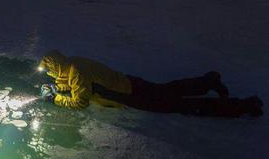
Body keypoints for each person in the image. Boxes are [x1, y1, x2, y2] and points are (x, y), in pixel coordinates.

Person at [38, 50, 263, 118]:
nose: (49, 74)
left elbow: (81, 101)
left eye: (49, 71)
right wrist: (60, 87)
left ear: (55, 66)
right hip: (129, 82)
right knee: (169, 90)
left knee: (177, 104)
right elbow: (80, 81)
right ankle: (208, 81)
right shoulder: (73, 63)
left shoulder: (77, 73)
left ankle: (242, 106)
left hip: (128, 94)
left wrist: (55, 98)